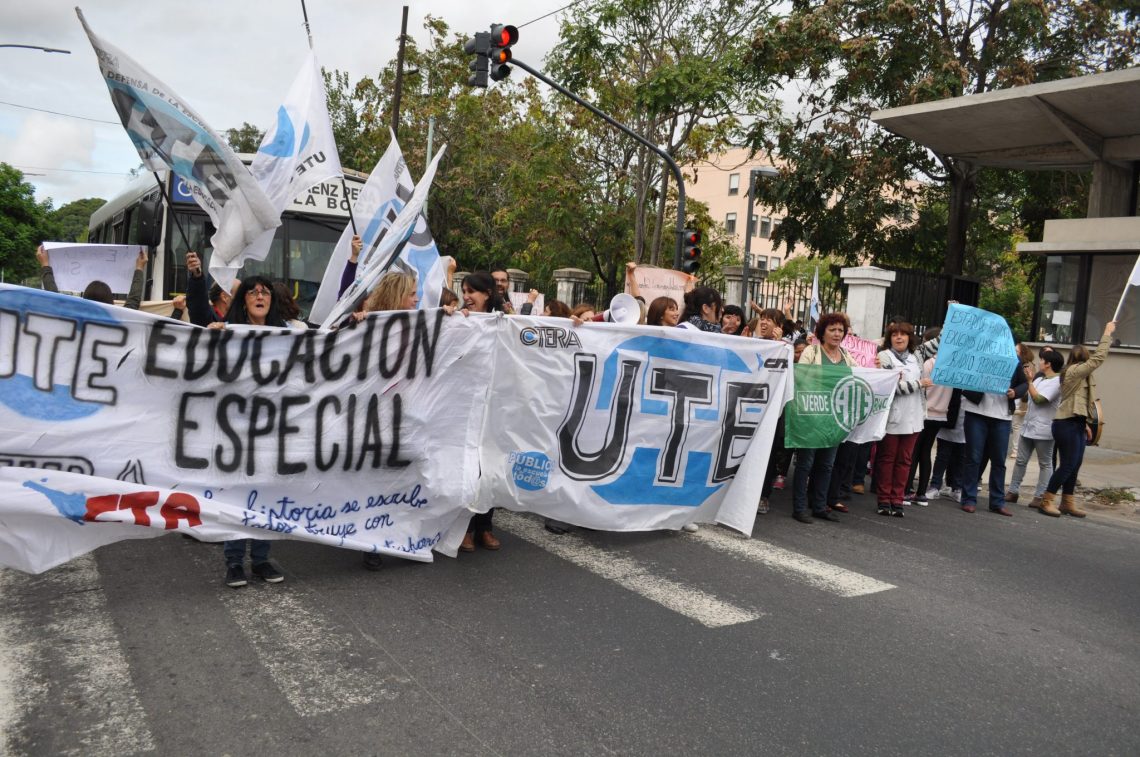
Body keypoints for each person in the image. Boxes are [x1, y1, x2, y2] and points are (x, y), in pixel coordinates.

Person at [211, 276, 287, 588]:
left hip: (272, 430)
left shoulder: (288, 336)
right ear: (243, 300)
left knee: (266, 493)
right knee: (237, 493)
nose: (259, 296)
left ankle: (260, 558)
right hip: (236, 430)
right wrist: (212, 337)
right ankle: (233, 561)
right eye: (253, 292)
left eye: (265, 292)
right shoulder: (228, 335)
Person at [1042, 321, 1115, 518]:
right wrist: (1107, 333)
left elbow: (1080, 403)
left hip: (1075, 423)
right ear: (1083, 359)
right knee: (1067, 464)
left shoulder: (1082, 376)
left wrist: (1085, 424)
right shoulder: (1073, 372)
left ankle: (1067, 502)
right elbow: (1098, 359)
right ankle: (1047, 499)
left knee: (1075, 464)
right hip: (1065, 424)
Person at [789, 313, 856, 523]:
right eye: (832, 329)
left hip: (833, 419)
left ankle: (819, 505)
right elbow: (800, 378)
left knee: (827, 464)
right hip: (811, 416)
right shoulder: (812, 351)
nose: (837, 334)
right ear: (822, 332)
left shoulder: (846, 356)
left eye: (840, 330)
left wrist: (881, 371)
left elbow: (860, 376)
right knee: (805, 463)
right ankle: (799, 507)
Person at [460, 272, 508, 551]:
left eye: (472, 291)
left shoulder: (506, 323)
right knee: (468, 470)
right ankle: (463, 527)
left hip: (494, 407)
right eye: (464, 291)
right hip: (466, 406)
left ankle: (484, 526)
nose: (467, 296)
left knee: (489, 469)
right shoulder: (458, 319)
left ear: (487, 294)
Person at [873, 321, 939, 517]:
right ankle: (884, 499)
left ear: (910, 338)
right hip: (892, 417)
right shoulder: (884, 357)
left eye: (903, 334)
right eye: (895, 335)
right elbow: (891, 386)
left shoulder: (917, 355)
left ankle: (898, 499)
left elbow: (941, 341)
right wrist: (919, 383)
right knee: (887, 459)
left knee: (905, 460)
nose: (899, 337)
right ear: (889, 338)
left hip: (915, 417)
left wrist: (953, 315)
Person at [958, 343, 1029, 517]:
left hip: (1002, 416)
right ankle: (969, 499)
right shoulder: (975, 357)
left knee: (999, 460)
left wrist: (1015, 392)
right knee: (973, 458)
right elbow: (961, 380)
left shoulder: (1014, 360)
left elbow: (1023, 384)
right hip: (976, 413)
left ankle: (997, 501)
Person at [1008, 350, 1063, 514]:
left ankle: (1040, 496)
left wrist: (1030, 381)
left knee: (1045, 463)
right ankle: (1013, 491)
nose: (1039, 362)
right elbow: (1028, 396)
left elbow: (1039, 400)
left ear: (1049, 364)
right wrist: (1027, 382)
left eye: (1042, 360)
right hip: (1028, 426)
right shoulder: (1039, 378)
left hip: (1044, 429)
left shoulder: (1057, 381)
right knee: (1020, 460)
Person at [36, 244, 147, 309]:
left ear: (84, 300)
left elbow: (54, 299)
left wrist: (45, 264)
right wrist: (139, 268)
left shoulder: (72, 321)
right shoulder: (121, 321)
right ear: (111, 302)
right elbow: (134, 300)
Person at [909, 327, 950, 504]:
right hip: (940, 414)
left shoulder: (928, 364)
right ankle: (921, 492)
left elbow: (921, 386)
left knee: (915, 452)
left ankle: (907, 488)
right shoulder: (949, 366)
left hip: (925, 412)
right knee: (926, 452)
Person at [1007, 341, 1035, 457]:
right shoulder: (1022, 364)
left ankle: (1016, 450)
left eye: (1016, 351)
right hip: (1018, 398)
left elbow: (1025, 384)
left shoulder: (1026, 366)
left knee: (1017, 424)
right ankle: (1016, 449)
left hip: (1022, 399)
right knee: (1017, 425)